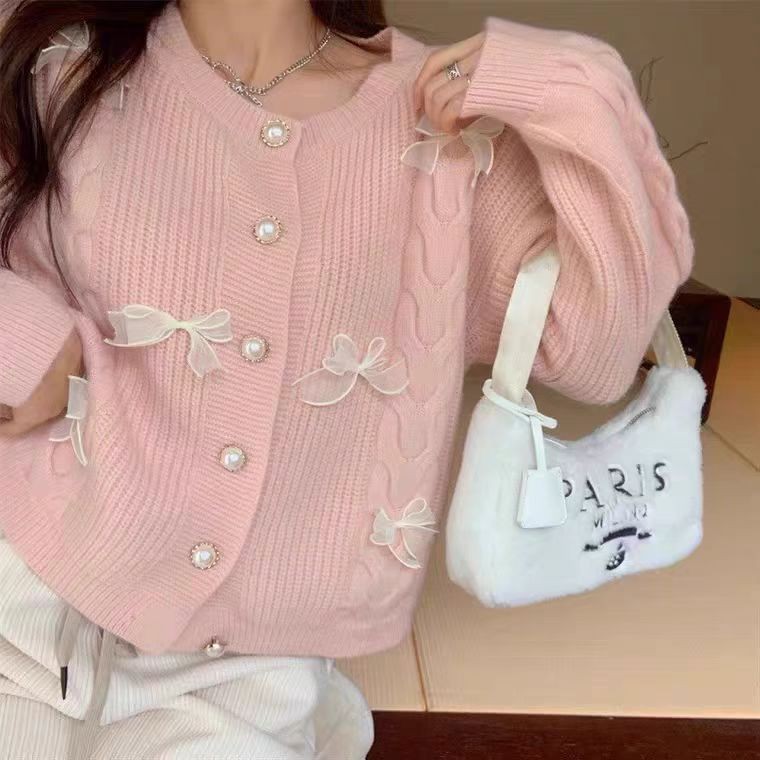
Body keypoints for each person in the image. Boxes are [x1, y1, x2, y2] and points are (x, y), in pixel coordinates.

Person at [0, 0, 694, 757]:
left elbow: (597, 356)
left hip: (238, 677)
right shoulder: (50, 63)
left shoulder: (451, 129)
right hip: (22, 593)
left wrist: (581, 89)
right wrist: (20, 343)